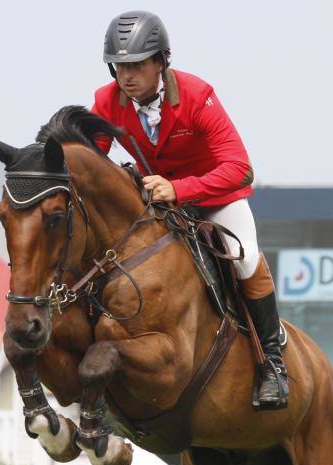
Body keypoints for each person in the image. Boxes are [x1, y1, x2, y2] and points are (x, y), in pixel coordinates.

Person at [90, 10, 287, 410]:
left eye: (138, 65)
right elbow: (92, 158)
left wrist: (180, 189)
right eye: (120, 66)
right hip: (155, 204)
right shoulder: (106, 101)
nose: (127, 76)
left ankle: (273, 363)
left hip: (215, 199)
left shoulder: (197, 95)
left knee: (246, 258)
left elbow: (239, 167)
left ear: (161, 60)